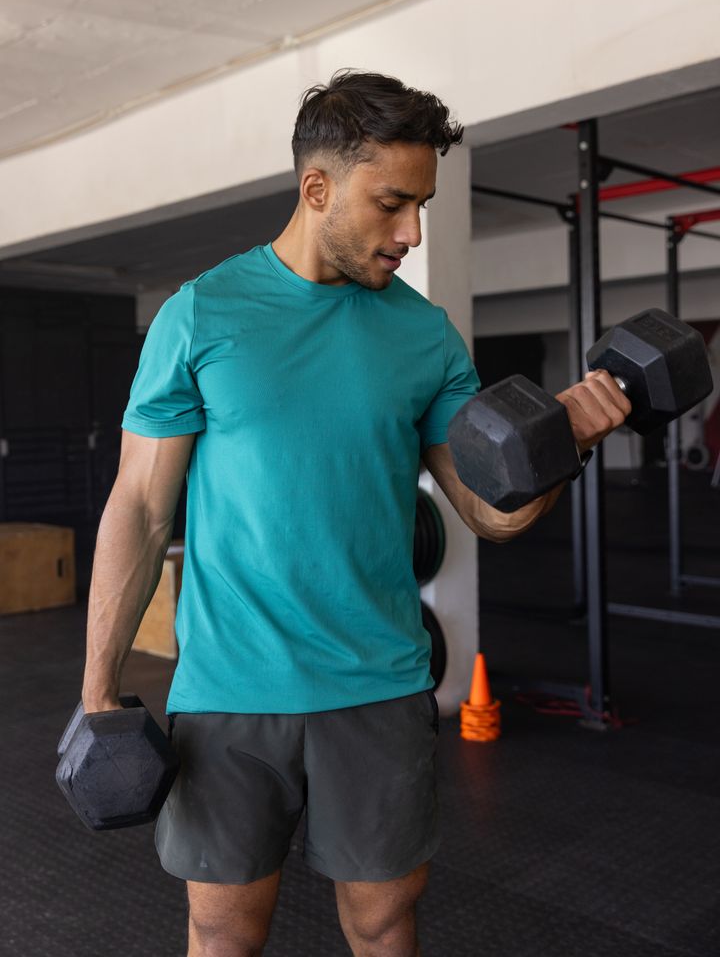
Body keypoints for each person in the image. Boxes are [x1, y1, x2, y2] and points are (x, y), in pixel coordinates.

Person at [81, 70, 631, 957]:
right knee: (222, 934)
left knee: (382, 924)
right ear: (316, 187)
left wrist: (565, 445)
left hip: (377, 691)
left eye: (422, 204)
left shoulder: (426, 337)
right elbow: (142, 507)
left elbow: (491, 518)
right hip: (229, 694)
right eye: (392, 203)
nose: (413, 232)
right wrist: (98, 688)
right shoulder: (200, 315)